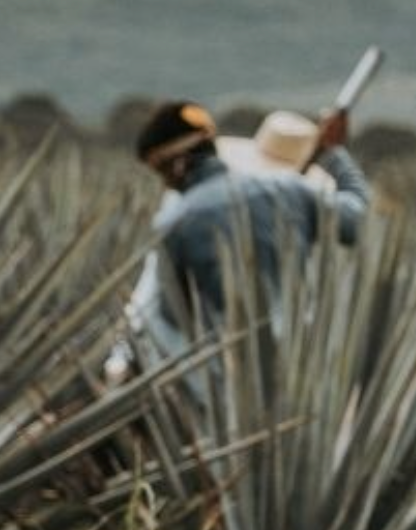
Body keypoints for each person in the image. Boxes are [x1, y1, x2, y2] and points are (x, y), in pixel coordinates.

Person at [122, 99, 371, 365]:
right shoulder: (291, 189)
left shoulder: (173, 222)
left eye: (162, 172)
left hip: (222, 373)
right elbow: (355, 220)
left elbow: (172, 315)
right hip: (301, 361)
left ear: (178, 165)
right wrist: (334, 153)